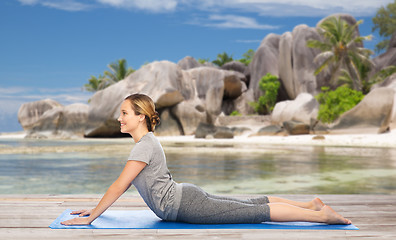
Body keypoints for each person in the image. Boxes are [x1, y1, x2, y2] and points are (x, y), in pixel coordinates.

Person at [61, 93, 351, 226]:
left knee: (253, 213)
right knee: (249, 203)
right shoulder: (148, 143)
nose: (119, 118)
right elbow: (121, 187)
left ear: (141, 117)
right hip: (185, 197)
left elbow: (119, 186)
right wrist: (95, 209)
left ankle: (319, 216)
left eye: (124, 113)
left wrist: (92, 217)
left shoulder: (142, 147)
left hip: (185, 203)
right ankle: (309, 204)